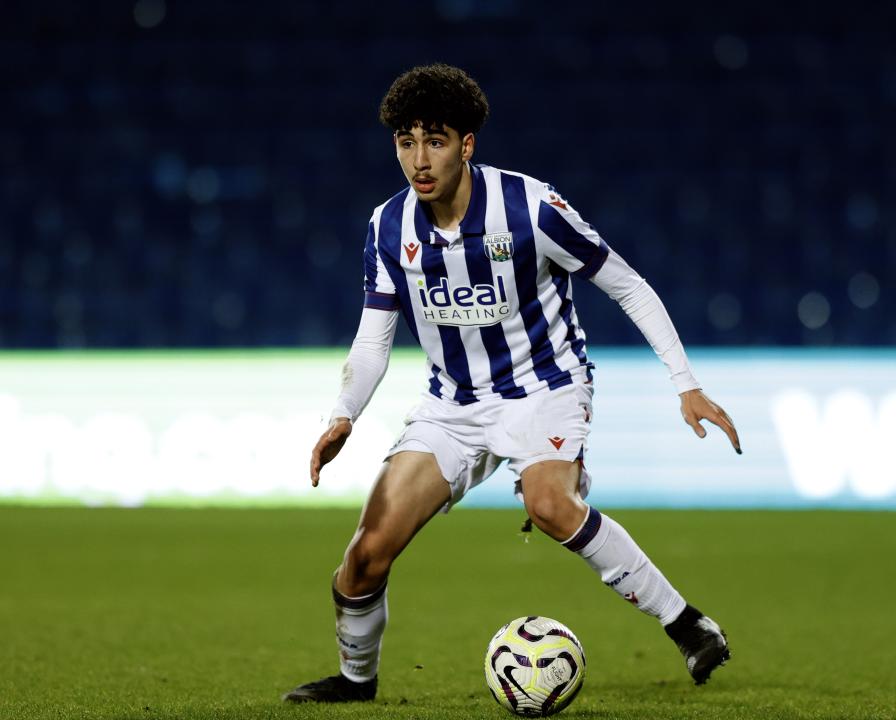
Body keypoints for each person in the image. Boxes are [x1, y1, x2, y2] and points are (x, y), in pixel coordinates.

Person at [283, 63, 741, 704]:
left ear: (467, 144)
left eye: (435, 140)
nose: (419, 158)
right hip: (451, 404)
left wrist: (684, 382)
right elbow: (373, 336)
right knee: (364, 557)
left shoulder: (531, 208)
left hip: (544, 388)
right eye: (405, 142)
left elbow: (626, 283)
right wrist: (344, 415)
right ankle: (357, 683)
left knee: (550, 505)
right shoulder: (389, 226)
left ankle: (687, 623)